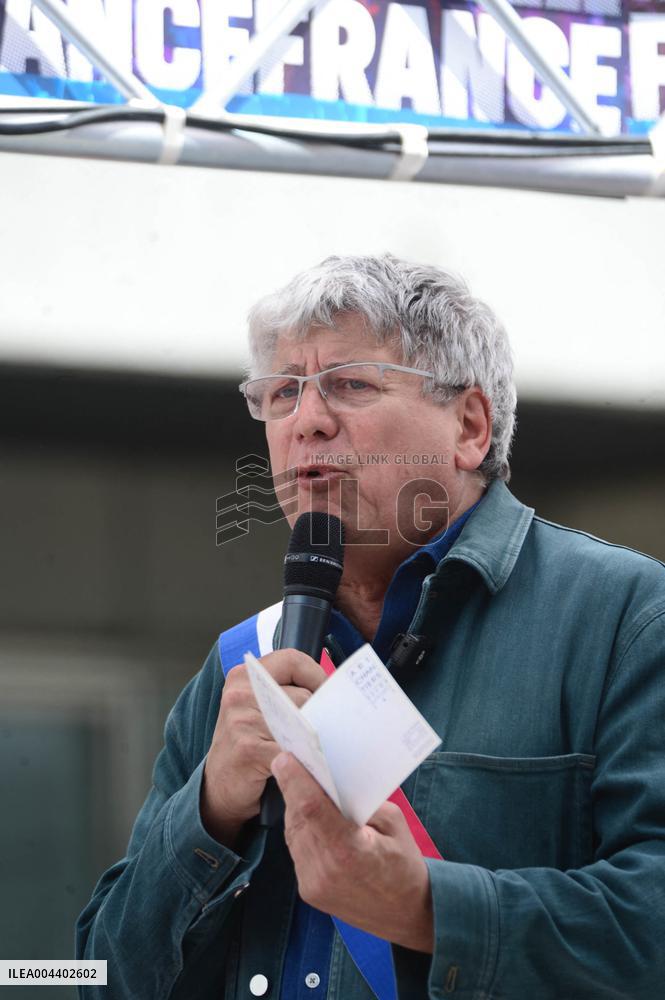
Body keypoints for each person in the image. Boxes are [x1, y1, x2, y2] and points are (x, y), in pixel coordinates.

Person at [76, 254, 665, 999]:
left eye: (350, 383)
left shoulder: (625, 619)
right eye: (282, 392)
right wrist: (209, 811)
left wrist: (426, 909)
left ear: (470, 426)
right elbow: (97, 976)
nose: (307, 421)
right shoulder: (240, 664)